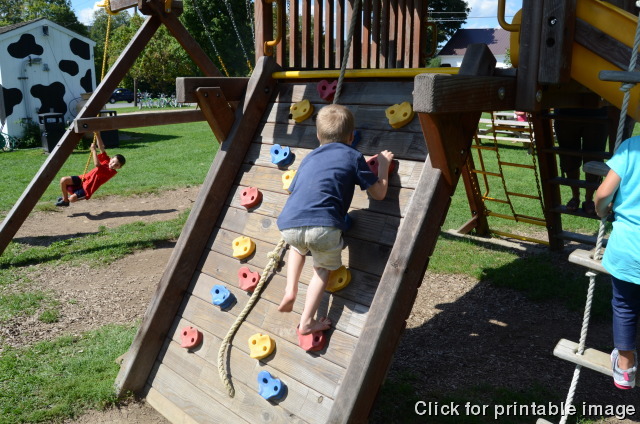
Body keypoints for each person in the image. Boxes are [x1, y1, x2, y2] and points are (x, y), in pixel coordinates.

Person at [276, 104, 394, 335]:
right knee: (321, 270)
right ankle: (307, 322)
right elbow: (379, 194)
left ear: (318, 135)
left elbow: (292, 190)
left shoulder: (309, 158)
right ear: (351, 137)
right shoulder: (353, 155)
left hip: (290, 222)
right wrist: (383, 166)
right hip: (324, 227)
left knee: (297, 248)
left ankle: (290, 290)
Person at [595, 134, 640, 389]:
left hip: (628, 247)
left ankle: (625, 368)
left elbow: (604, 193)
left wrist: (601, 209)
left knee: (624, 305)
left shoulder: (632, 146)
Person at [554, 107, 609, 215]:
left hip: (597, 112)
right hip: (565, 111)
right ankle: (575, 196)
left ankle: (589, 199)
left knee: (594, 158)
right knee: (569, 157)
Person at [56, 132, 125, 206]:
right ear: (111, 159)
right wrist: (98, 135)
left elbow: (97, 165)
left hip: (88, 188)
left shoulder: (111, 172)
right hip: (83, 179)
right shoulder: (106, 161)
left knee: (72, 199)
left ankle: (66, 199)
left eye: (116, 165)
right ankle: (65, 200)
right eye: (113, 161)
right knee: (63, 180)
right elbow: (101, 147)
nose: (113, 165)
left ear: (119, 167)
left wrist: (93, 151)